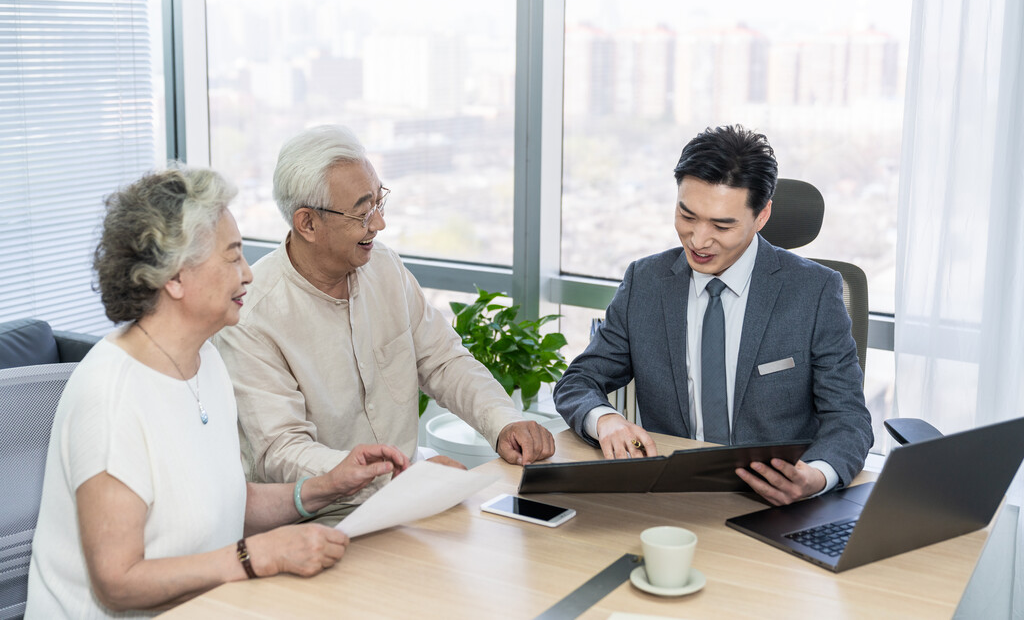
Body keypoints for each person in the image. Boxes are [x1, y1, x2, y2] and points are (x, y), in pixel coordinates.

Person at [26, 169, 408, 619]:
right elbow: (117, 582)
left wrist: (326, 487)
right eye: (232, 257)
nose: (248, 273)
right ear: (174, 277)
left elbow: (223, 503)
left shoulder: (206, 360)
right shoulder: (110, 396)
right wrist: (255, 556)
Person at [213, 125, 554, 518]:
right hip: (322, 517)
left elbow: (444, 361)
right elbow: (283, 451)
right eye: (362, 212)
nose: (378, 224)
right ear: (307, 223)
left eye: (379, 202)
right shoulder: (254, 317)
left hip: (411, 498)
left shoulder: (384, 267)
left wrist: (504, 422)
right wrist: (395, 478)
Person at [553, 125, 873, 506]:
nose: (699, 240)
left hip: (778, 504)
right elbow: (578, 381)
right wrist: (605, 420)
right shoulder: (646, 282)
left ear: (762, 215)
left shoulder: (814, 292)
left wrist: (816, 477)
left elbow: (849, 418)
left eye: (722, 225)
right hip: (673, 495)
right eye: (687, 215)